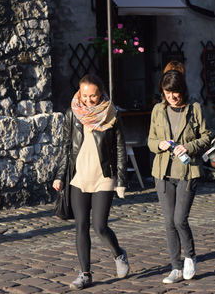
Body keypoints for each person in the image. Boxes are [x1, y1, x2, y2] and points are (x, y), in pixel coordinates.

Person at [53, 74, 129, 290]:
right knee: (81, 226)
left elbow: (121, 147)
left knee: (100, 226)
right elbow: (66, 147)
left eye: (93, 96)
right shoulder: (72, 113)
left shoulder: (111, 113)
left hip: (104, 176)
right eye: (84, 95)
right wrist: (60, 176)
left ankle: (118, 253)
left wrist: (121, 179)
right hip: (78, 177)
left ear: (100, 93)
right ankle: (85, 274)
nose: (88, 100)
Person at [148, 68, 211, 284]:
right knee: (168, 222)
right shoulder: (158, 110)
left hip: (188, 172)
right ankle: (175, 267)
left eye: (174, 93)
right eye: (167, 94)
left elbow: (206, 138)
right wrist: (159, 144)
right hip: (163, 174)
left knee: (179, 219)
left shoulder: (194, 108)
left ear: (181, 90)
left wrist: (189, 147)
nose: (171, 97)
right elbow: (150, 141)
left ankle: (190, 257)